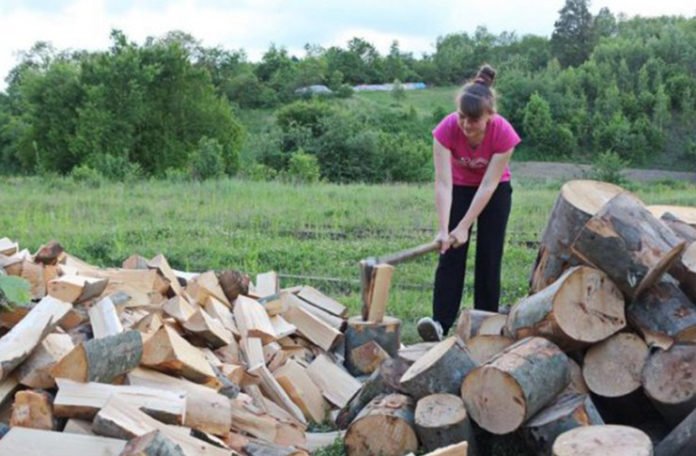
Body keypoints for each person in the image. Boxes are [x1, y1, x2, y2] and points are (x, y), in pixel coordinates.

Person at [417, 64, 521, 342]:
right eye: (462, 117)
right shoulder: (446, 129)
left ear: (489, 116)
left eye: (473, 120)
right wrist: (444, 228)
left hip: (494, 191)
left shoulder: (504, 134)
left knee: (489, 255)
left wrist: (464, 225)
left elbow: (488, 185)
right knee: (449, 253)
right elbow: (443, 182)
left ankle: (484, 323)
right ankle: (440, 323)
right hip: (459, 188)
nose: (466, 125)